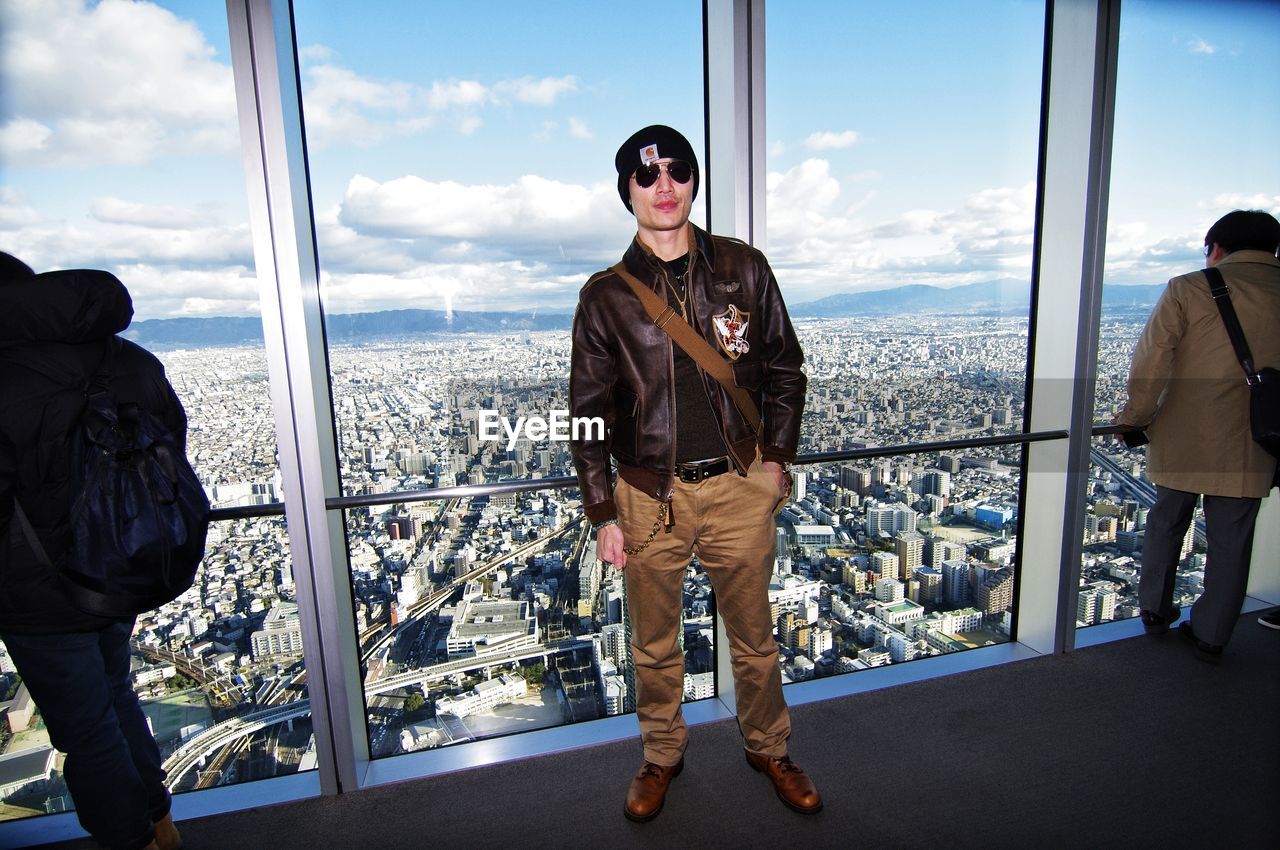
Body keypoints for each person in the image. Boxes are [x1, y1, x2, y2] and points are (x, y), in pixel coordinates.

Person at [569, 126, 820, 821]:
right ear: (627, 193)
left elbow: (784, 370)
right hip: (649, 494)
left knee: (755, 635)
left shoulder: (743, 268)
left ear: (693, 180)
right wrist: (602, 513)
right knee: (653, 643)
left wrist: (776, 461)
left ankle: (769, 746)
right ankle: (661, 756)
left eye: (677, 171)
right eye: (647, 178)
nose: (664, 187)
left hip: (741, 486)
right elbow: (588, 415)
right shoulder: (606, 298)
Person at [0, 252, 185, 850]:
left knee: (85, 732)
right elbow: (171, 452)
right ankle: (160, 824)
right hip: (118, 567)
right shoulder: (128, 359)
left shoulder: (3, 377)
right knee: (116, 696)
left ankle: (128, 840)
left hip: (35, 593)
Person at [1114, 210, 1280, 660]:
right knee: (1232, 541)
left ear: (1217, 248)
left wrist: (1133, 417)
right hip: (1259, 436)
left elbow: (1151, 364)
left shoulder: (1189, 287)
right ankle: (1211, 634)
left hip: (1187, 431)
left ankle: (1154, 610)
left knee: (1166, 524)